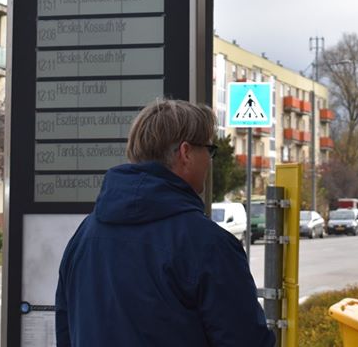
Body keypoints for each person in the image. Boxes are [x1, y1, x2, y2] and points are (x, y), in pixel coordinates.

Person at [55, 99, 275, 347]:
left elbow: (66, 331)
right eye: (209, 151)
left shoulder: (84, 236)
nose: (209, 161)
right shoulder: (209, 245)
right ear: (186, 153)